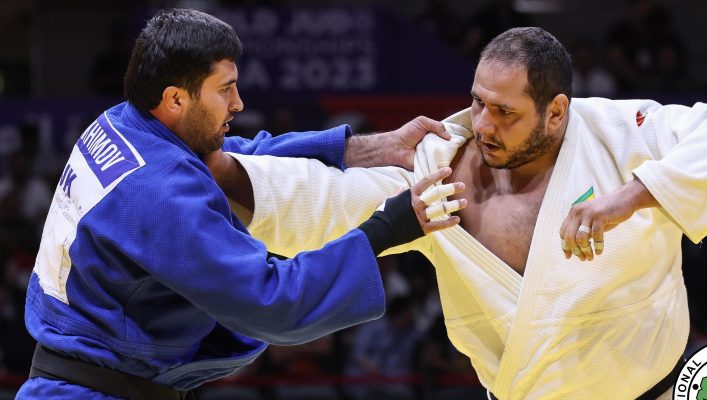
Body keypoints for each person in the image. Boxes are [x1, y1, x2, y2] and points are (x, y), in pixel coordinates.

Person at [215, 26, 707, 399]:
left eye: (505, 112)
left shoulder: (622, 134)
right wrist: (208, 166)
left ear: (556, 112)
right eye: (477, 102)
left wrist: (633, 195)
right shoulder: (438, 171)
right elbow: (315, 198)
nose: (483, 124)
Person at [16, 8, 468, 400]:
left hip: (78, 377)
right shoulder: (160, 193)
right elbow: (274, 302)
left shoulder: (121, 124)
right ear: (175, 98)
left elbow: (236, 153)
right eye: (225, 89)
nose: (239, 102)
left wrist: (368, 148)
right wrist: (387, 229)